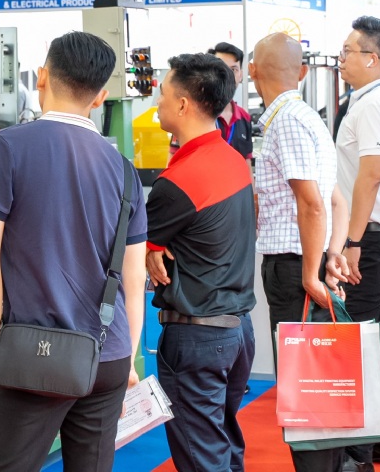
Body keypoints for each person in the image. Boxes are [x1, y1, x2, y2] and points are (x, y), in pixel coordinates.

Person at [0, 31, 148, 472]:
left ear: (42, 76)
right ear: (100, 97)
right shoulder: (124, 169)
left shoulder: (7, 147)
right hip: (107, 354)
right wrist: (127, 356)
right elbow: (134, 276)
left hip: (35, 353)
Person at [145, 53, 257, 472]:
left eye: (162, 94)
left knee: (201, 458)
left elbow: (131, 248)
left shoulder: (178, 181)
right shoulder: (232, 160)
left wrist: (149, 249)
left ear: (183, 104)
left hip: (198, 337)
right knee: (222, 445)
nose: (157, 102)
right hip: (237, 331)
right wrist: (154, 248)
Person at [247, 32, 350, 472]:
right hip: (306, 261)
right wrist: (332, 253)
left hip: (294, 270)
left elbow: (312, 204)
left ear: (252, 72)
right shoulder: (307, 118)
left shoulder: (287, 121)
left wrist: (311, 273)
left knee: (305, 390)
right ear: (304, 72)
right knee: (318, 384)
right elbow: (336, 200)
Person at [335, 16, 380, 470]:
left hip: (372, 240)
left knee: (356, 345)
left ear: (371, 58)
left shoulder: (377, 103)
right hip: (377, 238)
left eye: (347, 51)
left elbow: (372, 175)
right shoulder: (368, 100)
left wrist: (352, 240)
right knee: (377, 340)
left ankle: (357, 454)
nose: (341, 58)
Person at [209, 42, 255, 159]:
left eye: (233, 70)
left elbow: (246, 163)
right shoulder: (194, 113)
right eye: (221, 68)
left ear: (241, 75)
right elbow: (175, 161)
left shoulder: (245, 118)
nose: (227, 75)